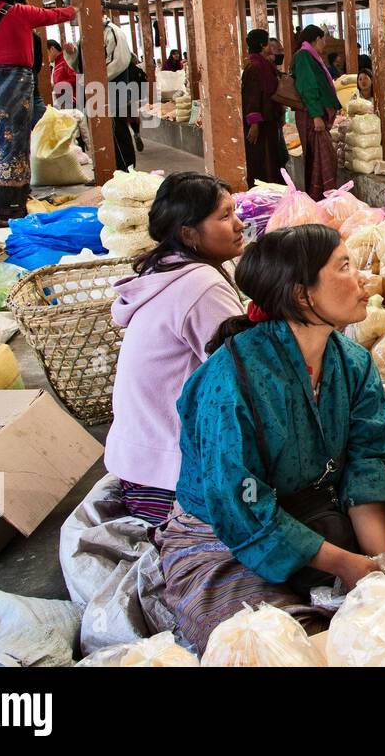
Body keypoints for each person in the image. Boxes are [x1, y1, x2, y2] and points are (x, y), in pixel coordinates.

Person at [155, 224, 385, 651]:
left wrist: (380, 566)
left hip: (325, 509)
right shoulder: (230, 383)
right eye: (344, 267)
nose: (363, 280)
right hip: (224, 534)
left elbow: (364, 466)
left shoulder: (354, 363)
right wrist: (347, 564)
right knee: (272, 644)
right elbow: (241, 503)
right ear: (304, 295)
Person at [107, 172, 246, 523]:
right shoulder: (201, 285)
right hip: (166, 482)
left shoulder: (168, 269)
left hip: (138, 467)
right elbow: (247, 373)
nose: (239, 223)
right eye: (224, 216)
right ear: (189, 234)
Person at [0, 0, 78, 221]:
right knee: (14, 142)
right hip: (15, 85)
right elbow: (54, 16)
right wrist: (75, 6)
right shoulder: (19, 12)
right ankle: (13, 206)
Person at [64, 15, 142, 168]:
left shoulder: (113, 32)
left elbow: (119, 62)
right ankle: (108, 168)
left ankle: (126, 169)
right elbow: (80, 65)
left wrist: (96, 78)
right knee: (101, 132)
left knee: (117, 130)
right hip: (96, 90)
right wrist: (71, 53)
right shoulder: (86, 35)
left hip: (114, 89)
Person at [292, 24, 341, 200]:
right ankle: (320, 199)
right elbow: (308, 87)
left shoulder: (310, 56)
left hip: (316, 116)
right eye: (324, 39)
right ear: (317, 39)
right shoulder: (303, 56)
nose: (325, 44)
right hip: (312, 117)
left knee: (322, 159)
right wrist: (316, 116)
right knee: (321, 159)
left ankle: (321, 198)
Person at [241, 28, 288, 186]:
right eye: (268, 42)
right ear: (262, 44)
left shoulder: (264, 64)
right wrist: (254, 123)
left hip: (269, 122)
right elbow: (252, 96)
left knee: (272, 162)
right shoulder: (254, 67)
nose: (270, 46)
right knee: (262, 162)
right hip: (260, 126)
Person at [46, 39, 78, 109]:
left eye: (46, 52)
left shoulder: (65, 60)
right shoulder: (56, 65)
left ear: (52, 49)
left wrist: (58, 85)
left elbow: (76, 78)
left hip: (72, 102)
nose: (46, 57)